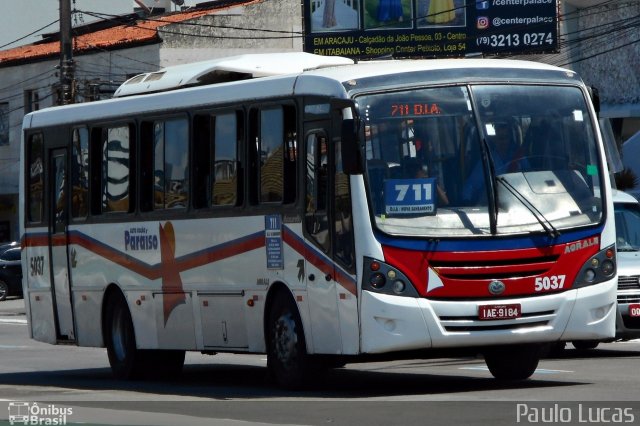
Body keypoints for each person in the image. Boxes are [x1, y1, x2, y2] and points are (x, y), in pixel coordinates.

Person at [462, 121, 527, 204]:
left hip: (519, 202)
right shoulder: (487, 160)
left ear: (510, 139)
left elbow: (529, 177)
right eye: (500, 138)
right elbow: (472, 184)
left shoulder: (520, 158)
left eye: (506, 137)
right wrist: (466, 201)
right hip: (494, 205)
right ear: (495, 140)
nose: (503, 141)